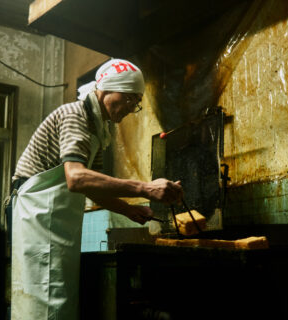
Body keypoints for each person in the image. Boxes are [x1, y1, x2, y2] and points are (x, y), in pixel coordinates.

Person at [10, 58, 183, 320]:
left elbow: (94, 185)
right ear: (107, 89)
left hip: (53, 215)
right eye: (128, 99)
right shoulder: (75, 115)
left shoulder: (100, 129)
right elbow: (77, 178)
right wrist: (145, 188)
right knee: (42, 298)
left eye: (135, 103)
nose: (130, 108)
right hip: (37, 212)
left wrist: (128, 210)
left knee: (57, 296)